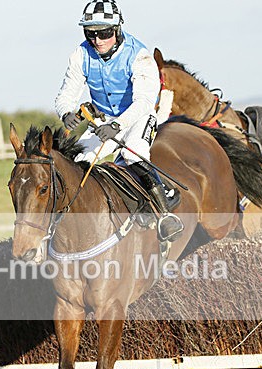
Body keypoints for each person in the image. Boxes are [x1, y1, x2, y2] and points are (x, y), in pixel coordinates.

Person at [55, 0, 184, 241]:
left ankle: (165, 215)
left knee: (133, 154)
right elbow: (66, 94)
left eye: (104, 33)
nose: (98, 40)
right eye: (90, 33)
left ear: (117, 30)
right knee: (74, 162)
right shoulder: (80, 54)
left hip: (137, 117)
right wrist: (66, 112)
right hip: (104, 120)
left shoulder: (140, 56)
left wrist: (117, 126)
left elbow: (144, 102)